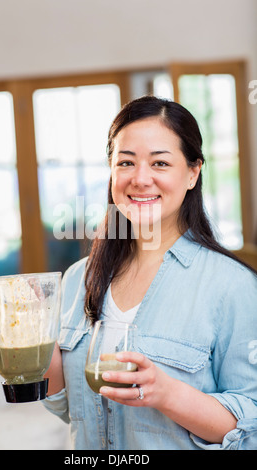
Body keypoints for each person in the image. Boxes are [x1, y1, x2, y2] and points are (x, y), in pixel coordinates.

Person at [43, 95, 257, 450]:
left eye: (160, 163)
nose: (141, 179)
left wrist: (167, 393)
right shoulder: (77, 279)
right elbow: (69, 409)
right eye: (126, 162)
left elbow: (251, 425)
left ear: (192, 173)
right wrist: (34, 347)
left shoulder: (234, 286)